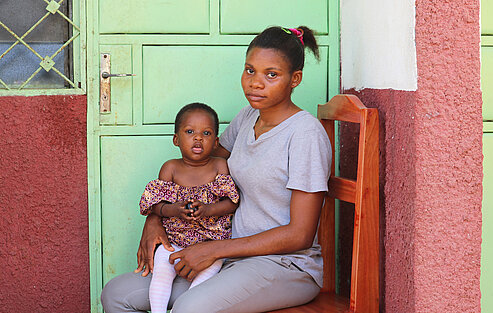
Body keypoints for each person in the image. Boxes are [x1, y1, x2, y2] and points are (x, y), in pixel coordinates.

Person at [101, 26, 332, 313]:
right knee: (116, 294)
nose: (256, 83)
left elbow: (300, 234)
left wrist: (213, 250)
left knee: (189, 309)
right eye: (250, 71)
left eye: (271, 74)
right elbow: (201, 167)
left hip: (286, 265)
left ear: (294, 79)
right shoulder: (249, 117)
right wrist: (155, 218)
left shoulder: (305, 134)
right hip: (231, 257)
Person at [138, 102, 239, 313]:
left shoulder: (219, 165)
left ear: (215, 142)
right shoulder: (171, 168)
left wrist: (208, 210)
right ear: (176, 139)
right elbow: (156, 205)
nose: (198, 138)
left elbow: (231, 202)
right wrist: (173, 209)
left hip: (210, 244)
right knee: (162, 271)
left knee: (206, 279)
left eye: (207, 133)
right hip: (173, 241)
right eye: (190, 131)